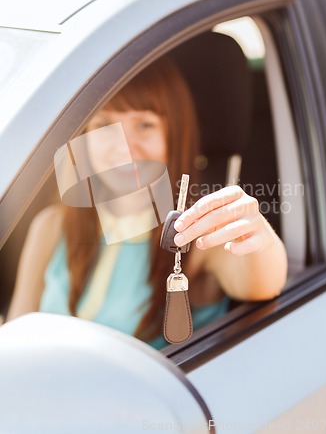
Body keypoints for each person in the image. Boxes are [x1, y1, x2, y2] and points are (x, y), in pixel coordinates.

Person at [6, 56, 287, 349]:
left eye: (144, 125)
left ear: (174, 135)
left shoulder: (199, 233)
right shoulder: (52, 226)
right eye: (104, 125)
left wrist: (259, 237)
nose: (124, 147)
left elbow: (265, 284)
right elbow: (14, 339)